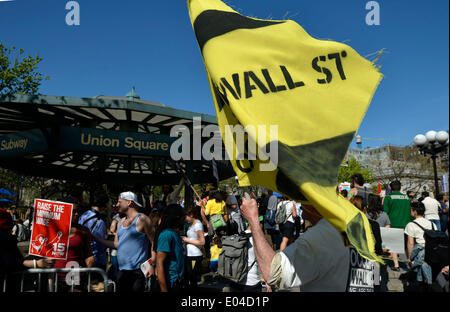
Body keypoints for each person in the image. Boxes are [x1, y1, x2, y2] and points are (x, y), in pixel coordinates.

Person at [240, 198, 350, 291]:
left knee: (285, 241)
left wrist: (253, 219)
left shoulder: (318, 236)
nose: (301, 207)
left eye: (302, 201)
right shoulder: (351, 227)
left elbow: (273, 274)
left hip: (288, 226)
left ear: (313, 205)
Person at [91, 191, 156, 292]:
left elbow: (155, 243)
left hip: (137, 272)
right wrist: (96, 238)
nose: (117, 205)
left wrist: (151, 264)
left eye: (119, 202)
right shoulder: (120, 221)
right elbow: (117, 244)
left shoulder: (143, 219)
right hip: (122, 271)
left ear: (129, 202)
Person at [0, 208, 55, 292]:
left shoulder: (8, 240)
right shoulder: (6, 240)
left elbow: (16, 260)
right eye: (7, 230)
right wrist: (36, 263)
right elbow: (12, 262)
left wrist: (36, 263)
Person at [53, 198, 95, 292]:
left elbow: (88, 254)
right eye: (74, 211)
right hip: (53, 276)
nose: (77, 214)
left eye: (78, 211)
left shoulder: (84, 231)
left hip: (74, 277)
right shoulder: (51, 229)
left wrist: (89, 266)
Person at [154, 204, 186, 292]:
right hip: (170, 284)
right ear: (177, 217)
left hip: (178, 282)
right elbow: (159, 263)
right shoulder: (167, 234)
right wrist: (164, 289)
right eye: (184, 216)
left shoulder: (176, 233)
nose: (185, 219)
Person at [404, 201, 435, 289]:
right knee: (428, 275)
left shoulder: (411, 225)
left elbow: (410, 243)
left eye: (411, 210)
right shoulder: (432, 224)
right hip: (431, 253)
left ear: (415, 212)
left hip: (419, 253)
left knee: (418, 277)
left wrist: (410, 258)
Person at [78, 190, 109, 272]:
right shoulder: (100, 221)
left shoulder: (83, 215)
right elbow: (100, 243)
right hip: (96, 260)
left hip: (83, 256)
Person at [383, 180, 411, 271]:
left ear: (390, 188)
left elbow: (385, 212)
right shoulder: (407, 198)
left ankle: (396, 265)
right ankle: (410, 264)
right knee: (408, 245)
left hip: (393, 223)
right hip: (406, 224)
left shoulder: (388, 198)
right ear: (400, 187)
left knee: (393, 245)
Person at [229, 224, 264, 292]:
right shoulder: (258, 240)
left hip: (234, 281)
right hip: (252, 283)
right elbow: (263, 262)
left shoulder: (237, 237)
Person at [182, 205, 205, 288]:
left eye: (186, 216)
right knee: (188, 277)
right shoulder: (192, 224)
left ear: (191, 214)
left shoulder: (198, 225)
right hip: (189, 255)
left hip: (195, 256)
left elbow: (202, 241)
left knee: (192, 278)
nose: (185, 218)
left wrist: (187, 240)